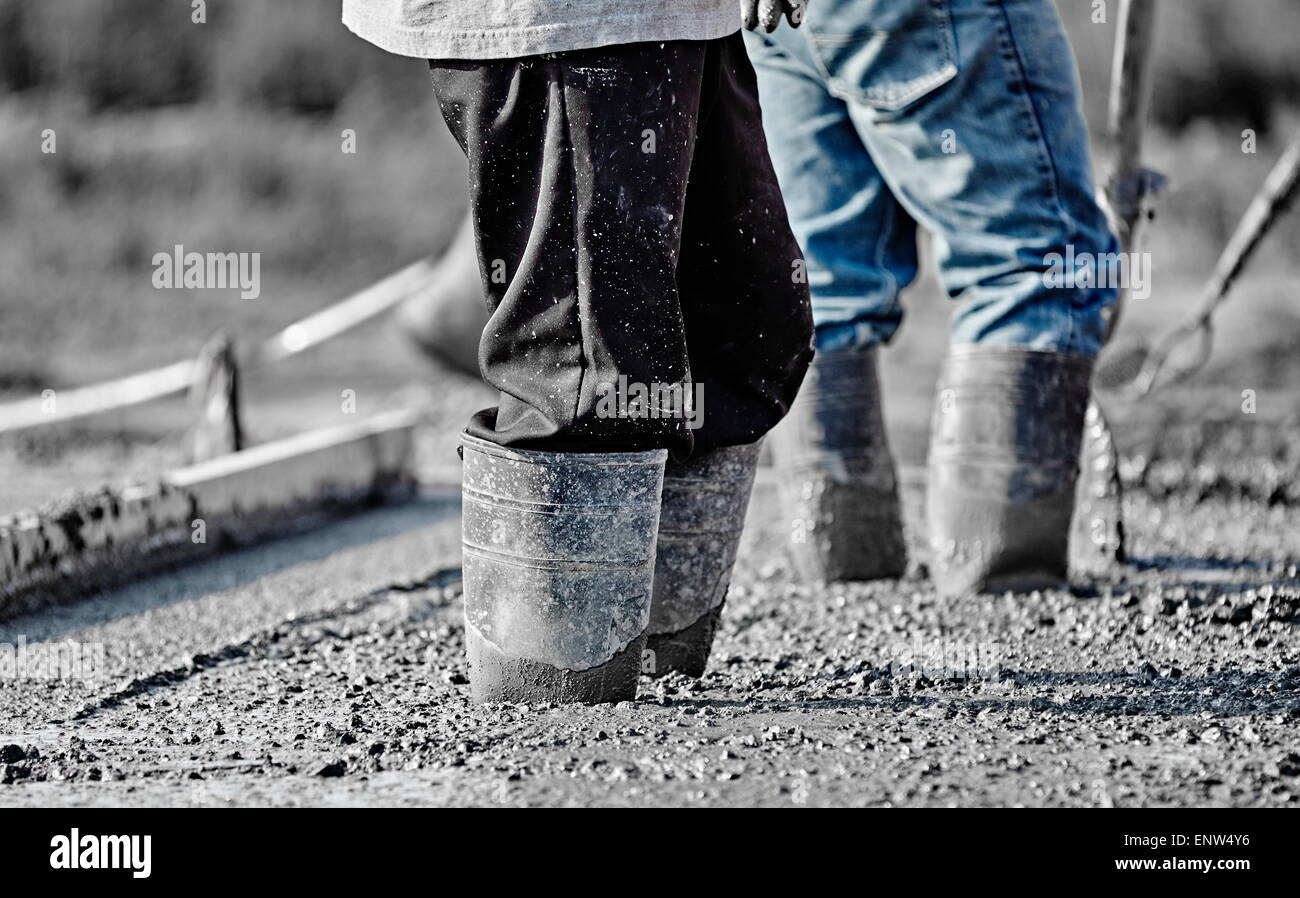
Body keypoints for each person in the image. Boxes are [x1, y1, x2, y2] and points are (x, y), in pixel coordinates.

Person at [343, 0, 815, 703]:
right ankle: (557, 697)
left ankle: (656, 662)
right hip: (571, 22)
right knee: (586, 367)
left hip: (683, 19)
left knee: (743, 326)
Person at [749, 0, 1118, 596]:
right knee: (1036, 266)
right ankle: (1000, 589)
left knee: (824, 283)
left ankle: (846, 579)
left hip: (775, 20)